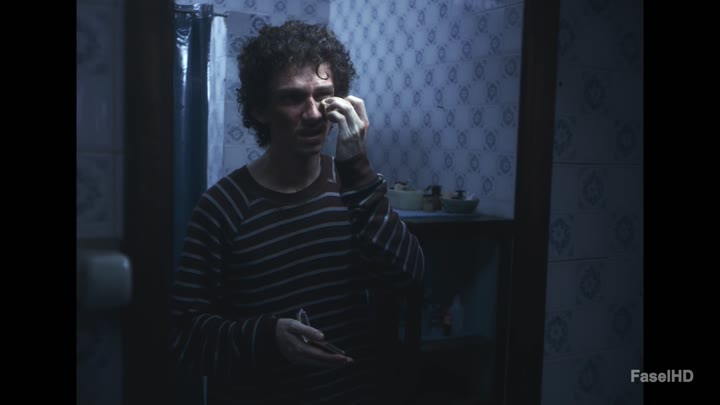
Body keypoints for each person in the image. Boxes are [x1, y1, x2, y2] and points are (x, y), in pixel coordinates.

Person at [169, 20, 424, 404]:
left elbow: (409, 278)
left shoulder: (354, 188)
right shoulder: (221, 208)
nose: (314, 113)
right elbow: (184, 337)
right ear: (260, 109)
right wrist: (267, 338)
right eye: (292, 98)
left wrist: (358, 170)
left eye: (324, 96)